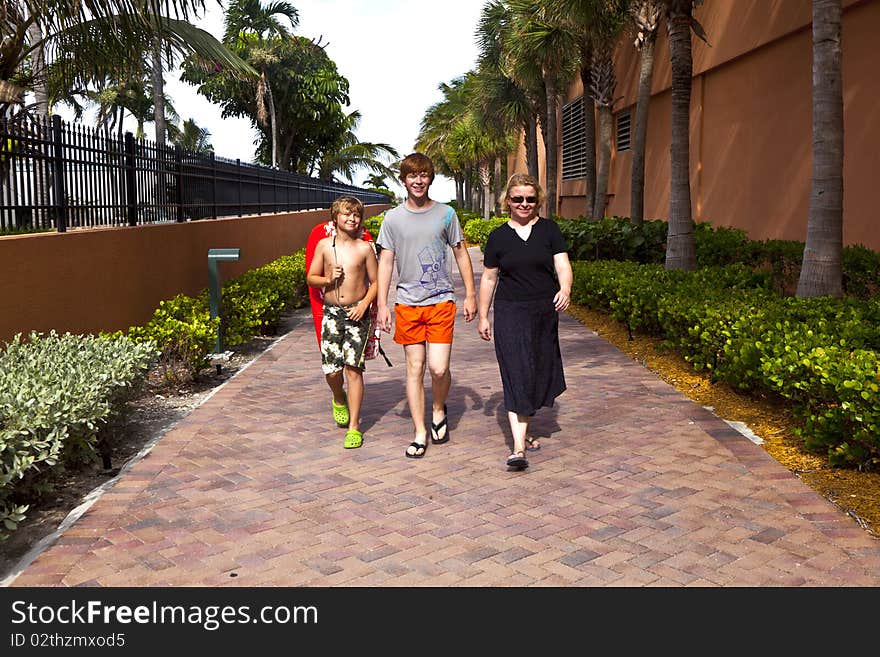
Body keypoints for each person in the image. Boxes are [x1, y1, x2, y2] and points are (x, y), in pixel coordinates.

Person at [376, 152, 476, 458]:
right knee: (415, 368)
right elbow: (386, 262)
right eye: (412, 176)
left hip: (441, 301)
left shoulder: (446, 215)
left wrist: (470, 294)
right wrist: (382, 304)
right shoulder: (392, 218)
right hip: (408, 304)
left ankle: (437, 407)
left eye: (423, 176)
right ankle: (420, 432)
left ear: (430, 179)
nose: (418, 181)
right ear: (404, 180)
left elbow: (461, 254)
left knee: (438, 367)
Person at [477, 173, 572, 470]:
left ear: (538, 200)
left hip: (543, 312)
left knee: (537, 371)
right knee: (516, 371)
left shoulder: (549, 230)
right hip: (510, 311)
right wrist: (483, 315)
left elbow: (562, 264)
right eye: (518, 198)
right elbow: (489, 278)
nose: (524, 203)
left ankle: (525, 430)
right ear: (508, 201)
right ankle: (518, 448)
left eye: (530, 199)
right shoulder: (498, 237)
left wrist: (565, 288)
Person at [306, 196, 379, 449]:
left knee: (353, 369)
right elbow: (311, 278)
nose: (352, 218)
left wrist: (364, 304)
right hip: (332, 314)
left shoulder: (365, 248)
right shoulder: (325, 246)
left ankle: (354, 427)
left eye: (356, 215)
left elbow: (376, 282)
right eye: (347, 214)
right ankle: (339, 397)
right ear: (335, 218)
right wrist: (327, 279)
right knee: (332, 371)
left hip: (356, 315)